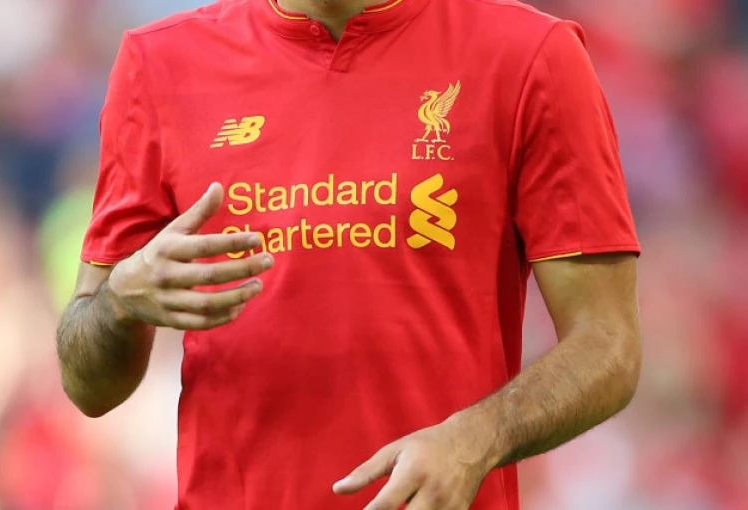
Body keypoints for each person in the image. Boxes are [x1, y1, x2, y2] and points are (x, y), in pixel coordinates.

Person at [56, 0, 642, 509]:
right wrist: (118, 305)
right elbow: (89, 388)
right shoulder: (159, 63)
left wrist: (477, 439)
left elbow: (609, 344)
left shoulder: (529, 55)